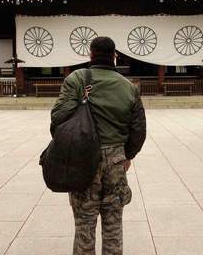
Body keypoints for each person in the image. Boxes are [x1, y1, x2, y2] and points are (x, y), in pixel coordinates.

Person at [51, 37, 146, 255]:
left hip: (83, 159)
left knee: (84, 224)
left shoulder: (76, 79)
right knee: (113, 224)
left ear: (90, 54)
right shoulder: (128, 87)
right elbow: (139, 129)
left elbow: (57, 117)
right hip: (115, 160)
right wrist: (126, 155)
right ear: (115, 56)